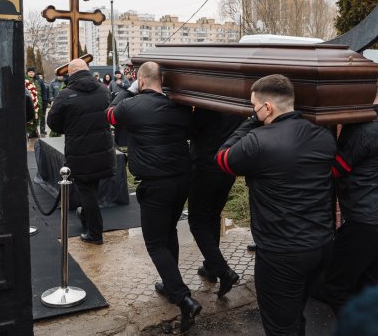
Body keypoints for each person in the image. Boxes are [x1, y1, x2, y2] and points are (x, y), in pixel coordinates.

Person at [216, 74, 336, 335]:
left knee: (280, 327)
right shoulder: (323, 136)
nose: (253, 111)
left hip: (282, 254)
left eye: (254, 106)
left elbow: (224, 159)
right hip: (321, 245)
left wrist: (250, 122)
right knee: (295, 314)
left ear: (267, 107)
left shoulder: (258, 141)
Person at [106, 61, 201, 332]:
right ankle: (171, 286)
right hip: (182, 180)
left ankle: (183, 297)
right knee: (168, 232)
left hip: (155, 185)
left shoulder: (132, 105)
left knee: (155, 243)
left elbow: (109, 115)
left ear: (141, 80)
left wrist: (129, 89)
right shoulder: (179, 106)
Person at [322, 75, 378, 316]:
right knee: (372, 286)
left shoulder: (360, 129)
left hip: (366, 223)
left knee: (336, 287)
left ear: (362, 92)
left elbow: (336, 170)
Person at [48, 59, 115, 244]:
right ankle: (86, 217)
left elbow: (53, 123)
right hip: (103, 149)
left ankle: (95, 233)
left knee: (87, 191)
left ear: (71, 74)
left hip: (80, 151)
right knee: (91, 190)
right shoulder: (103, 89)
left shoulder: (65, 94)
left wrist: (70, 128)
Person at [188, 108, 244, 297]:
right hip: (227, 167)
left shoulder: (208, 108)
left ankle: (223, 271)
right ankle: (211, 267)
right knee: (212, 217)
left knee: (197, 221)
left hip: (205, 167)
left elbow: (190, 129)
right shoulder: (236, 105)